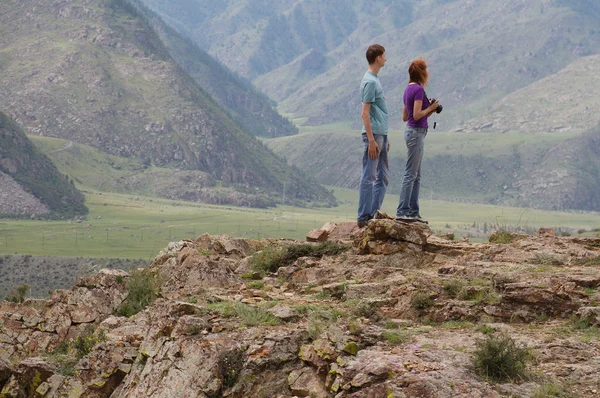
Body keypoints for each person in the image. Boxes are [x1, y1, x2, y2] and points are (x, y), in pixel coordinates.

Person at [395, 58, 439, 223]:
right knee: (411, 173)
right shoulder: (419, 90)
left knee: (416, 174)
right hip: (417, 133)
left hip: (411, 132)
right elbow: (416, 115)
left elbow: (405, 116)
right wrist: (431, 108)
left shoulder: (407, 89)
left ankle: (413, 212)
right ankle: (403, 211)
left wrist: (429, 111)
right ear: (422, 73)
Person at [357, 44, 390, 228]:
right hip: (374, 135)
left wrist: (385, 136)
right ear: (377, 57)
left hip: (381, 134)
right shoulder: (369, 81)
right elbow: (365, 112)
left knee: (383, 176)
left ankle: (373, 213)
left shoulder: (375, 79)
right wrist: (371, 139)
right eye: (384, 55)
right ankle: (364, 217)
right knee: (369, 175)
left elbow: (379, 110)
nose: (386, 58)